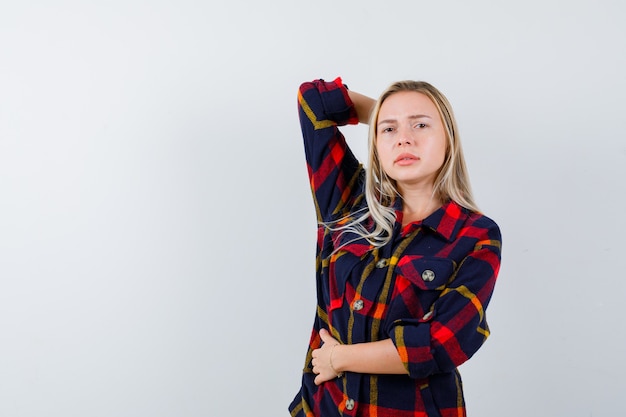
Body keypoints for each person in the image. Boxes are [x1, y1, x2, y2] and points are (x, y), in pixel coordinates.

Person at [289, 77, 502, 417]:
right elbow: (313, 101)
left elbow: (441, 344)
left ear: (448, 137)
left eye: (421, 125)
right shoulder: (347, 203)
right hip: (322, 408)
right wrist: (386, 115)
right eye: (389, 131)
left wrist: (338, 357)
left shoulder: (476, 235)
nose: (404, 138)